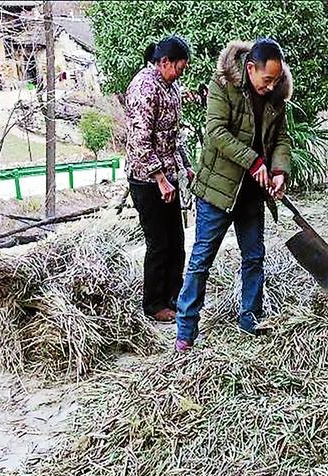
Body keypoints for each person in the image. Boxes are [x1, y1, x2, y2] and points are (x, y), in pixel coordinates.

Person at [175, 38, 292, 351]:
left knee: (254, 257)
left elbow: (281, 138)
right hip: (218, 191)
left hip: (251, 195)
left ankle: (251, 318)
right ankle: (186, 331)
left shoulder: (276, 96)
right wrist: (253, 161)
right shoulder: (223, 84)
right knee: (201, 260)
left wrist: (279, 170)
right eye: (267, 79)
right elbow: (216, 133)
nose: (271, 86)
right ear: (250, 68)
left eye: (276, 80)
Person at [125, 35, 193, 323]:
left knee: (177, 242)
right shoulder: (144, 88)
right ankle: (154, 304)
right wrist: (161, 179)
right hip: (147, 180)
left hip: (168, 175)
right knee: (159, 244)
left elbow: (172, 135)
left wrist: (185, 166)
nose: (180, 73)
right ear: (164, 62)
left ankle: (174, 297)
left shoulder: (171, 86)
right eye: (179, 67)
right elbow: (140, 141)